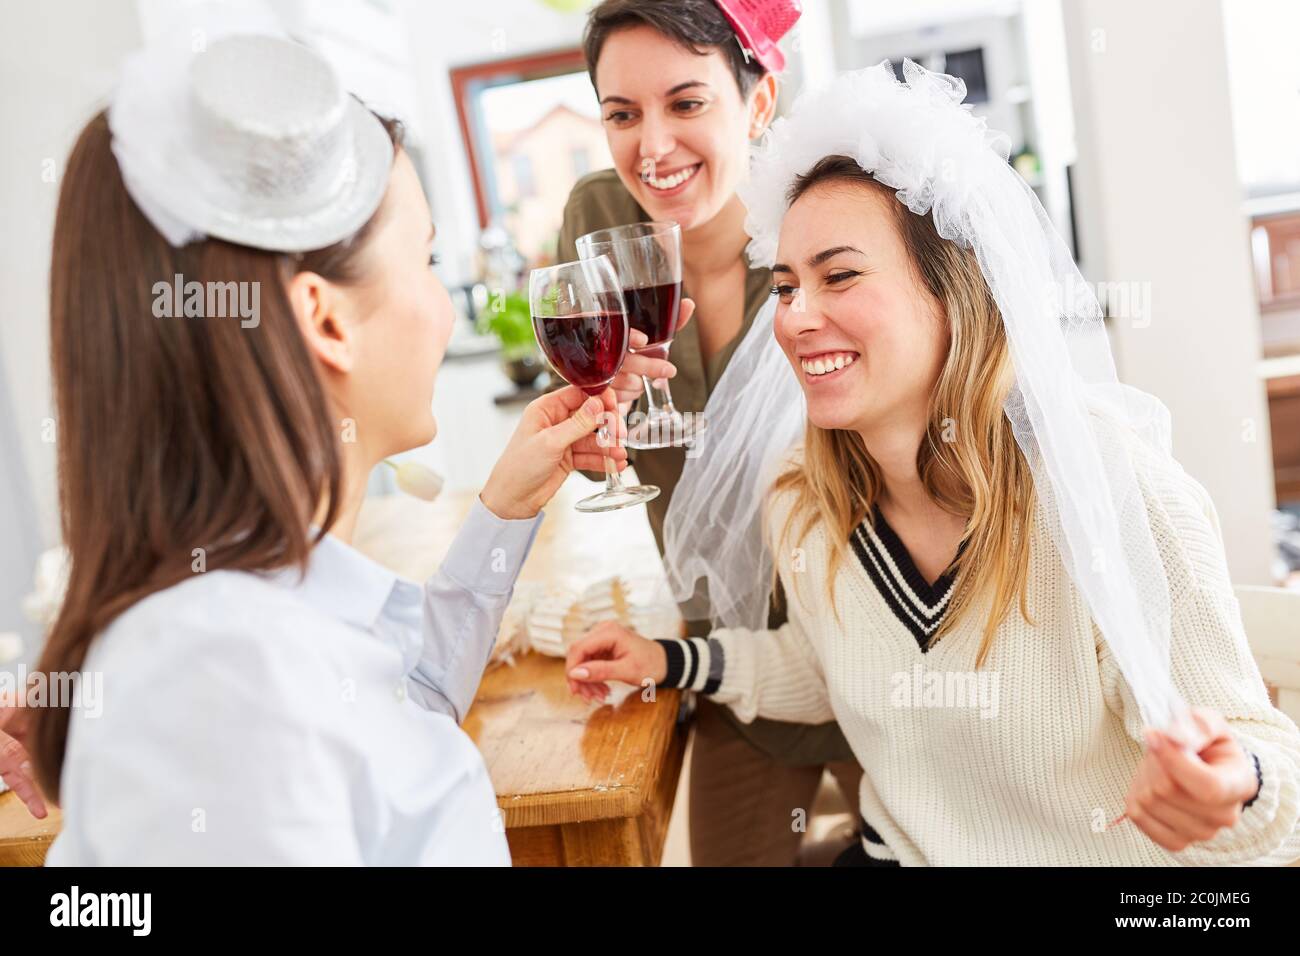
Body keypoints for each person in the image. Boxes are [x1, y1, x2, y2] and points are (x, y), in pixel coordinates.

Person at [566, 63, 1300, 865]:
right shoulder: (800, 498)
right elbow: (828, 663)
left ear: (955, 292)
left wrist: (1238, 783)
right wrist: (671, 661)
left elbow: (1257, 764)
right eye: (784, 286)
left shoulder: (1109, 492)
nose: (797, 318)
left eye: (839, 276)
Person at [20, 25, 638, 865]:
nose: (444, 305)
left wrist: (505, 508)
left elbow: (405, 700)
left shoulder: (264, 599)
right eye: (422, 259)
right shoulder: (219, 681)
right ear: (326, 319)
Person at [557, 0, 865, 867]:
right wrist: (588, 437)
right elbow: (595, 428)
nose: (651, 146)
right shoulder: (596, 222)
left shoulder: (831, 230)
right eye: (622, 113)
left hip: (883, 647)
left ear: (758, 102)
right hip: (729, 659)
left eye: (686, 103)